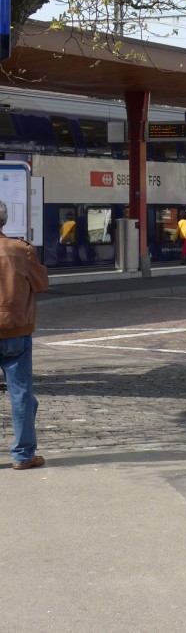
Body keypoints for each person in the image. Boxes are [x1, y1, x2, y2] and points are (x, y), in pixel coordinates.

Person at [0, 200, 50, 470]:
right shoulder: (22, 250)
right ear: (5, 221)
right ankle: (23, 455)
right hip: (15, 329)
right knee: (20, 394)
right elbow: (41, 284)